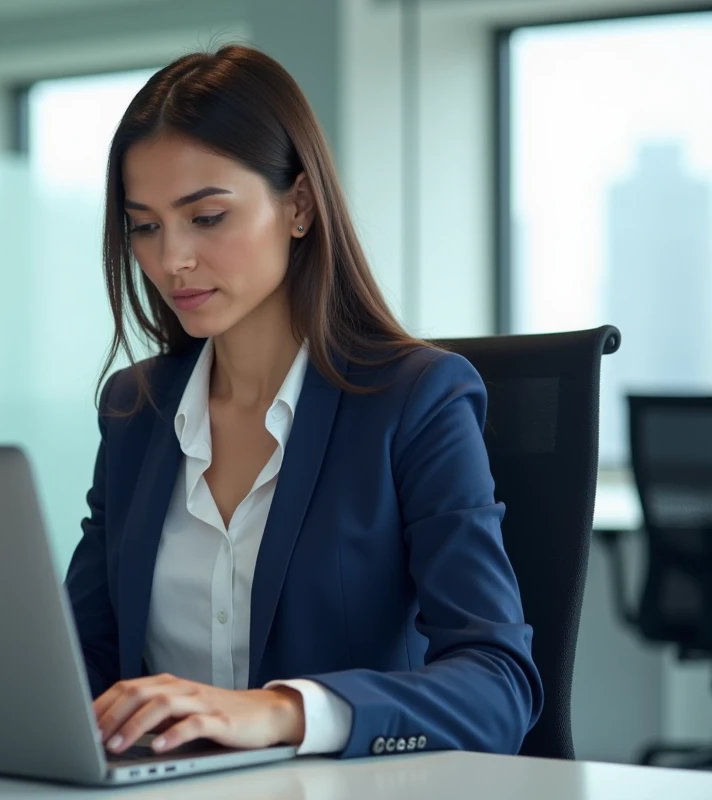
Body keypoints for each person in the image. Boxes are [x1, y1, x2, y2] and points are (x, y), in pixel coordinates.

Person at [63, 45, 544, 761]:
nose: (172, 260)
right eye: (146, 226)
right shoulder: (137, 409)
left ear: (299, 206)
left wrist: (281, 711)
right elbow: (82, 657)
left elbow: (499, 686)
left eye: (207, 217)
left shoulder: (417, 401)